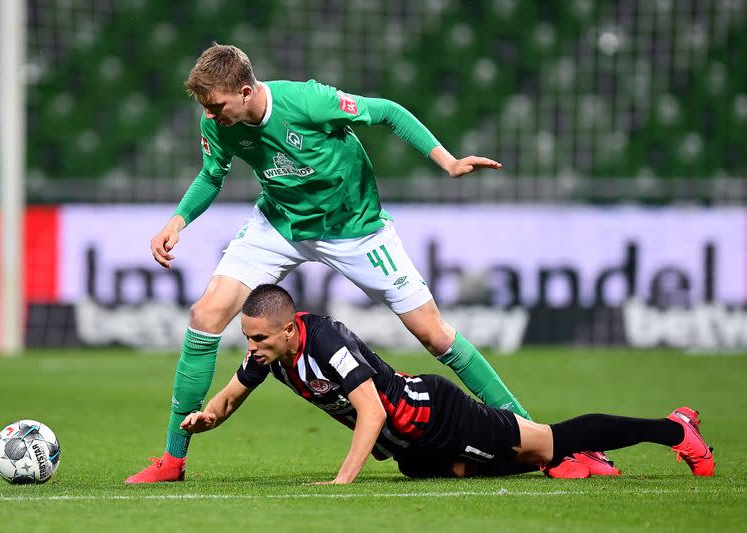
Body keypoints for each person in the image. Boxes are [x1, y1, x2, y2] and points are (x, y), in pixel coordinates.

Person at [125, 44, 610, 483]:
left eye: (217, 106)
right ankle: (173, 458)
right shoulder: (218, 122)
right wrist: (178, 219)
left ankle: (541, 441)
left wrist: (447, 160)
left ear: (246, 91)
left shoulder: (308, 101)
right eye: (206, 108)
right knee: (205, 316)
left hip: (355, 229)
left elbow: (388, 112)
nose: (210, 115)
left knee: (434, 334)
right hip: (280, 225)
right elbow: (213, 175)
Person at [179, 284, 715, 482]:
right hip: (414, 449)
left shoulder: (325, 342)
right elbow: (229, 397)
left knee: (547, 441)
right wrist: (207, 419)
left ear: (287, 329)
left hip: (437, 416)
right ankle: (562, 459)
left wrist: (342, 482)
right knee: (461, 469)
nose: (250, 348)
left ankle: (673, 429)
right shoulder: (270, 351)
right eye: (246, 339)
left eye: (257, 339)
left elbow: (373, 412)